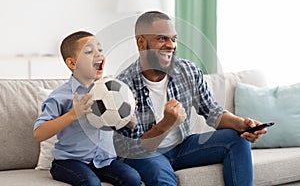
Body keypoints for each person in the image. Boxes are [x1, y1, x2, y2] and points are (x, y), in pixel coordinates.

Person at [114, 11, 267, 186]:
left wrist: (242, 124)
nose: (171, 45)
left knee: (237, 139)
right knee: (160, 175)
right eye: (162, 39)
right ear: (141, 43)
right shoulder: (123, 87)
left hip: (182, 146)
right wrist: (166, 124)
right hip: (146, 154)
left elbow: (212, 112)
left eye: (174, 38)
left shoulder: (187, 70)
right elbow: (133, 150)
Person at [33, 31, 141, 186]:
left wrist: (128, 114)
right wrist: (72, 115)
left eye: (100, 50)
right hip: (69, 161)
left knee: (132, 178)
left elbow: (131, 125)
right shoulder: (60, 96)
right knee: (91, 183)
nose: (98, 54)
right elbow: (39, 134)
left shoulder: (113, 90)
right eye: (89, 51)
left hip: (104, 161)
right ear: (72, 64)